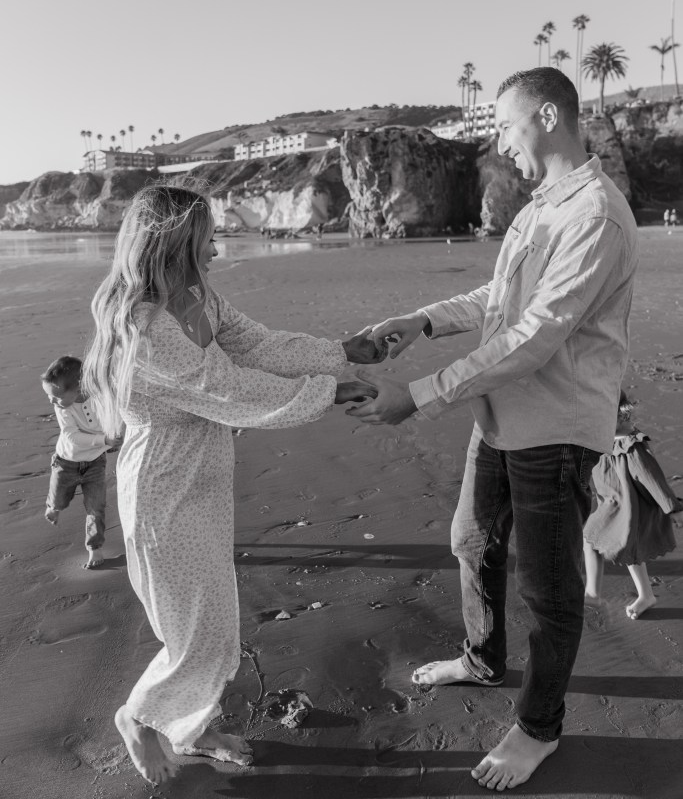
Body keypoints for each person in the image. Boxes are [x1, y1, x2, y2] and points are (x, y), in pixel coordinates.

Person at [348, 67, 639, 791]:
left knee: (548, 591)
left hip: (556, 429)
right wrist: (421, 320)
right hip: (501, 419)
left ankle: (538, 729)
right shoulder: (542, 205)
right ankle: (482, 660)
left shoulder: (595, 215)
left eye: (507, 126)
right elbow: (499, 298)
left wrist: (418, 396)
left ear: (547, 117)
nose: (502, 143)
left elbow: (534, 336)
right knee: (471, 541)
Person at [82, 184, 383, 786]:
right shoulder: (146, 328)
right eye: (207, 240)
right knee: (197, 634)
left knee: (213, 623)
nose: (216, 251)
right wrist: (328, 392)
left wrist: (337, 352)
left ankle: (193, 728)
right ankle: (138, 716)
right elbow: (225, 388)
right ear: (172, 247)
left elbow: (255, 345)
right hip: (164, 491)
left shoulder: (195, 297)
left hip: (203, 481)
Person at [584, 390, 681, 619]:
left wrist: (671, 508)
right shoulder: (601, 440)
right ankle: (638, 594)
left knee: (594, 539)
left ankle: (596, 593)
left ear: (620, 416)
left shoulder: (632, 446)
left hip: (628, 509)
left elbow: (651, 478)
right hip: (610, 505)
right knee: (597, 542)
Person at [42, 355, 121, 568]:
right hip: (66, 462)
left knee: (96, 507)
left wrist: (114, 438)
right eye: (49, 395)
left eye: (56, 396)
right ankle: (53, 507)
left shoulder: (101, 398)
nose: (51, 401)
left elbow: (115, 416)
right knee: (60, 499)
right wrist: (104, 440)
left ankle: (94, 549)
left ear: (78, 389)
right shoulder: (63, 408)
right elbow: (72, 437)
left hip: (95, 463)